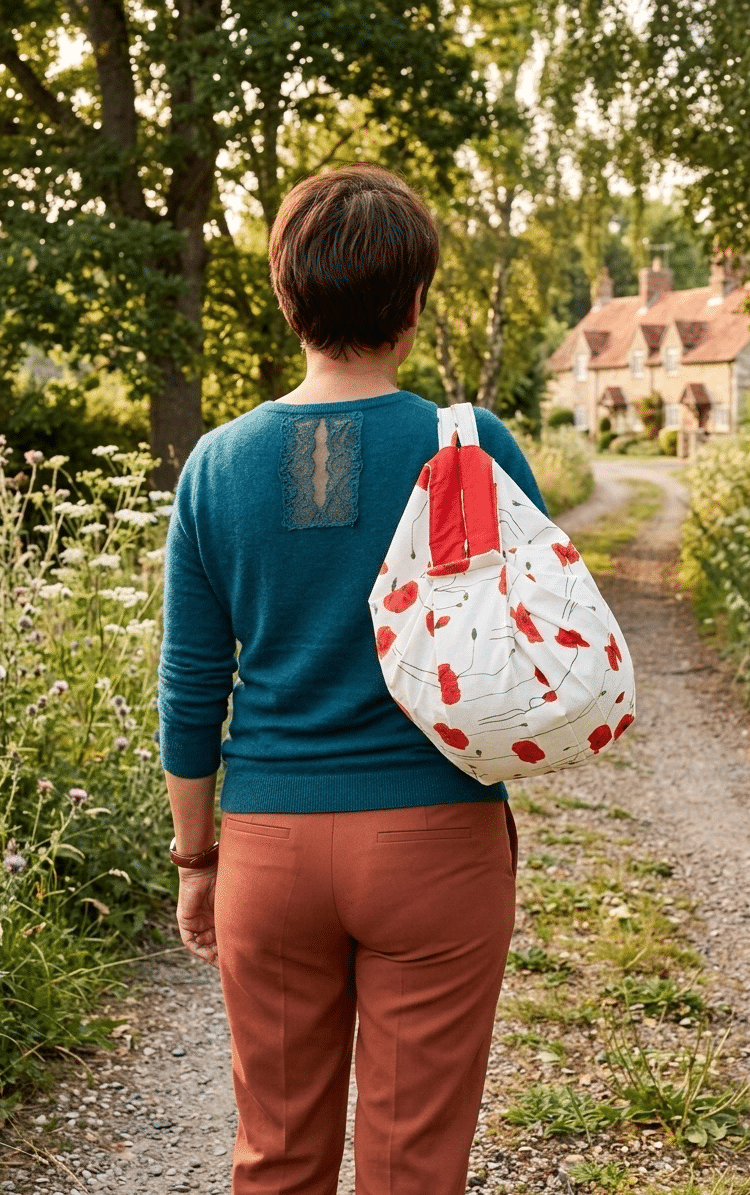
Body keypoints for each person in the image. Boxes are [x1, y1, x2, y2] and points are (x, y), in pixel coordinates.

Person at [158, 164, 550, 1195]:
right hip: (435, 841)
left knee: (276, 1157)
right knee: (409, 1167)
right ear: (414, 299)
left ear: (288, 298)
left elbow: (191, 688)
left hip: (270, 855)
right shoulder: (470, 447)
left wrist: (197, 859)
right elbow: (531, 636)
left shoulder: (215, 466)